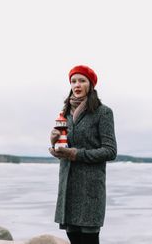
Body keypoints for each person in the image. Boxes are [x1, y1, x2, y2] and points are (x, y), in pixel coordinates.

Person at [49, 65, 117, 244]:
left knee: (89, 239)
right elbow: (64, 144)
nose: (77, 85)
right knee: (73, 237)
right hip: (68, 186)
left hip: (90, 188)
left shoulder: (103, 112)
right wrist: (54, 143)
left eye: (82, 81)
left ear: (91, 85)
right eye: (73, 81)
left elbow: (110, 151)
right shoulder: (65, 113)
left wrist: (75, 154)